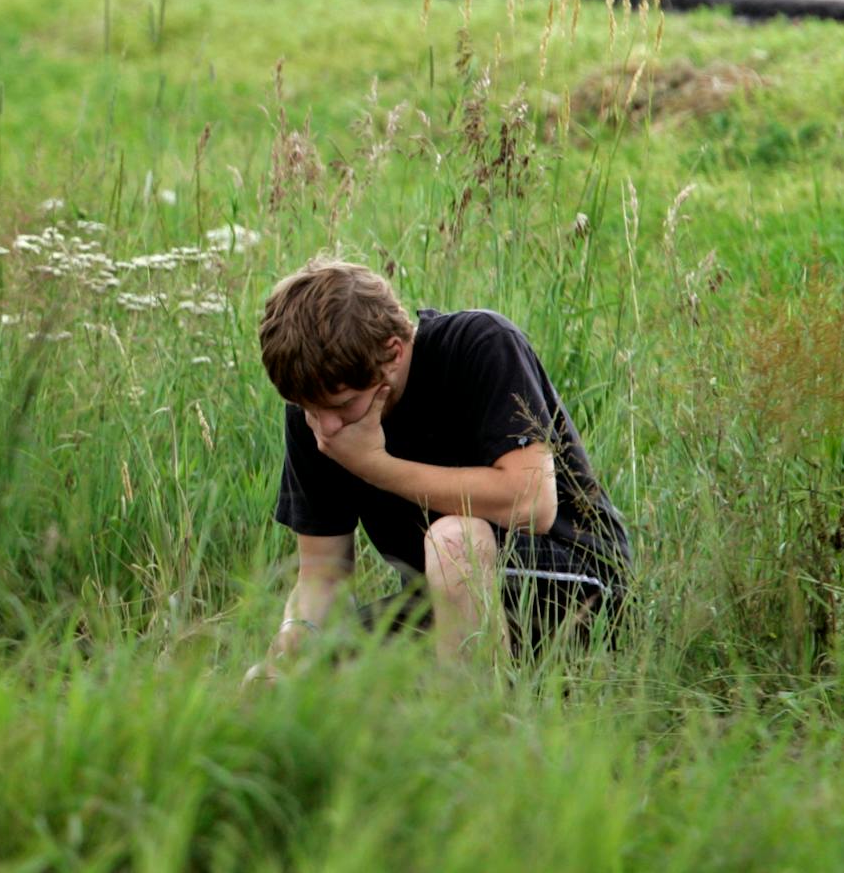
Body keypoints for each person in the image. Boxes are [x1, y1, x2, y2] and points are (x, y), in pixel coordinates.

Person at [245, 258, 630, 679]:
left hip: (576, 590)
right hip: (441, 607)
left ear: (392, 352)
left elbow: (532, 504)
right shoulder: (317, 411)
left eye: (342, 406)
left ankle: (470, 734)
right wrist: (293, 641)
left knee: (453, 541)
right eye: (309, 410)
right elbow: (323, 574)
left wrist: (375, 466)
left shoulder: (479, 344)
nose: (327, 428)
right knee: (288, 681)